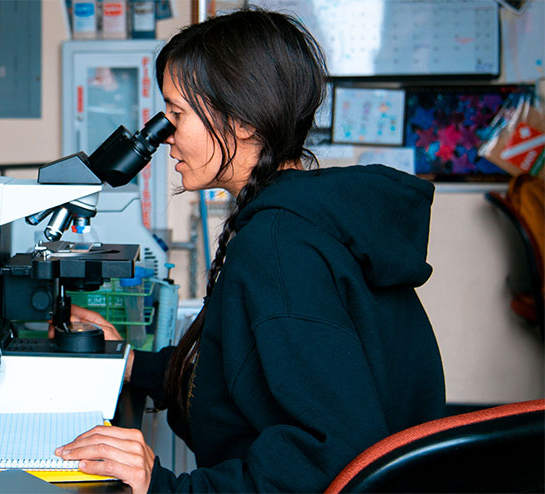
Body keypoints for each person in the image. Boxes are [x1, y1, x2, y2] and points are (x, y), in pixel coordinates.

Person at [54, 7, 446, 493]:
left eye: (176, 114)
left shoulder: (280, 247)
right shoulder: (302, 216)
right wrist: (135, 364)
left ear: (240, 121)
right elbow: (247, 371)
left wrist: (163, 486)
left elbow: (325, 460)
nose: (166, 136)